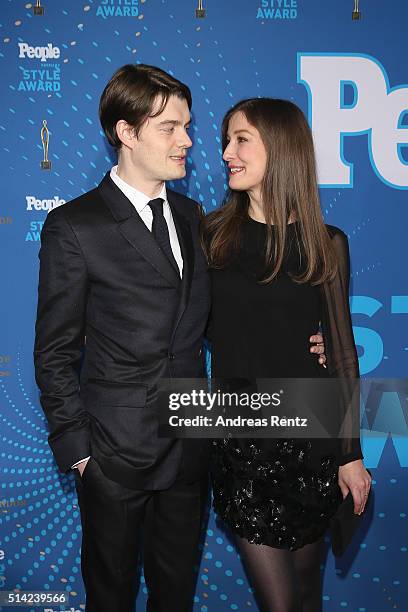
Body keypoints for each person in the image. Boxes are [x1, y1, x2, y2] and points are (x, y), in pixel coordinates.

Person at [34, 64, 326, 612]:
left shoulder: (197, 219)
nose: (189, 141)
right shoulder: (76, 226)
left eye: (188, 126)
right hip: (112, 455)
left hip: (191, 449)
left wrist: (321, 342)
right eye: (170, 127)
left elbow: (246, 310)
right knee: (112, 596)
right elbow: (54, 352)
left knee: (176, 597)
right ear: (127, 133)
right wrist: (79, 455)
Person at [202, 98, 372, 612]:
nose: (227, 152)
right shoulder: (209, 239)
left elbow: (342, 356)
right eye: (226, 140)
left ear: (281, 149)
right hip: (243, 446)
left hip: (312, 445)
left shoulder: (326, 243)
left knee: (305, 599)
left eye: (241, 139)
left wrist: (350, 454)